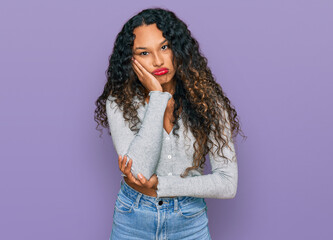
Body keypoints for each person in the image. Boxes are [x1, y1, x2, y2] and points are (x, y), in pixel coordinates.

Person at [94, 7, 245, 240]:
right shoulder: (119, 103)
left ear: (178, 48)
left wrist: (161, 185)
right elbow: (139, 171)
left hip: (189, 221)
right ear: (130, 61)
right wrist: (157, 96)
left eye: (164, 47)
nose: (157, 61)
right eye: (144, 53)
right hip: (133, 219)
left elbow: (227, 183)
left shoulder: (208, 102)